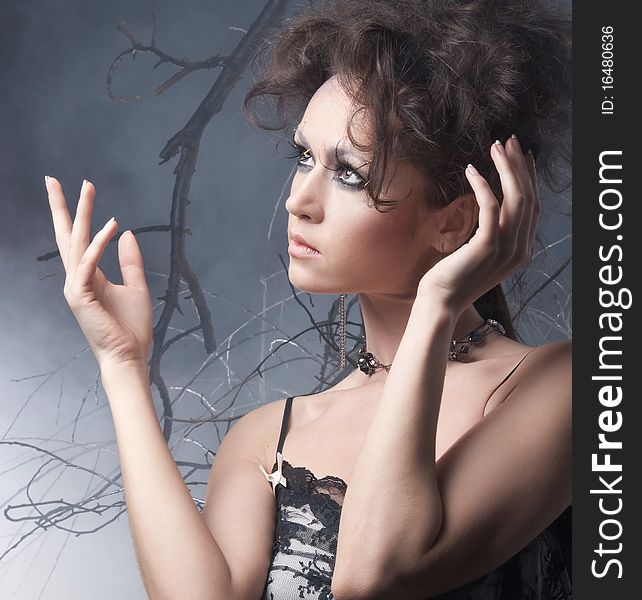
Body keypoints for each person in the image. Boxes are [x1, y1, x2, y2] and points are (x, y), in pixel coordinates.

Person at [45, 0, 572, 598]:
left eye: (349, 173)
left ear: (455, 221)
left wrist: (436, 307)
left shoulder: (569, 386)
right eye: (303, 157)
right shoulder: (269, 436)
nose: (299, 200)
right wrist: (122, 366)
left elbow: (373, 577)